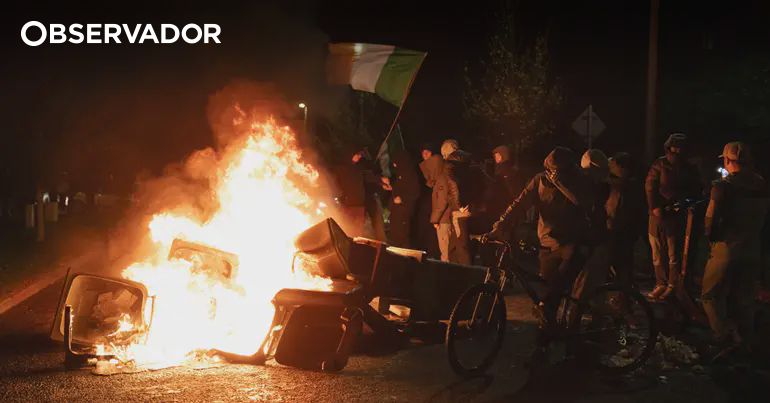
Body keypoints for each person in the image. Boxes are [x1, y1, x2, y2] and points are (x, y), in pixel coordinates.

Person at [485, 147, 593, 323]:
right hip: (547, 242)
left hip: (572, 242)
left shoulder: (578, 180)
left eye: (557, 171)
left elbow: (583, 203)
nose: (552, 175)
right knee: (546, 296)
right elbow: (520, 203)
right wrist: (500, 225)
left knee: (556, 288)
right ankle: (544, 341)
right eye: (550, 170)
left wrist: (561, 184)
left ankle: (572, 336)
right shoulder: (540, 180)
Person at [701, 142, 769, 356]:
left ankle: (724, 337)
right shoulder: (761, 184)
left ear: (728, 161)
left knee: (710, 295)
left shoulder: (723, 186)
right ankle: (745, 342)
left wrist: (710, 240)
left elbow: (710, 220)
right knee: (745, 298)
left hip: (727, 247)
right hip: (753, 247)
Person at [645, 133, 701, 300]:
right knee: (657, 249)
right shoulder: (660, 164)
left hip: (676, 215)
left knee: (673, 251)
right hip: (657, 215)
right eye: (674, 147)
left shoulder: (690, 168)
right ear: (668, 147)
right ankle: (660, 282)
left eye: (681, 147)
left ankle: (672, 284)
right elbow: (650, 185)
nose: (677, 150)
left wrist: (683, 203)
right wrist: (654, 206)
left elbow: (696, 189)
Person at [605, 152, 645, 286]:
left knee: (615, 263)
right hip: (626, 230)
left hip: (615, 229)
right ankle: (624, 294)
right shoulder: (635, 185)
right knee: (624, 265)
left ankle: (621, 297)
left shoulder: (615, 184)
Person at [383, 150, 421, 248]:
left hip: (404, 213)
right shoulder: (400, 175)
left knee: (402, 240)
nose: (394, 165)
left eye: (396, 162)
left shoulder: (410, 175)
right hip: (396, 213)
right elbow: (398, 190)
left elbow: (415, 192)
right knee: (394, 238)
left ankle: (404, 259)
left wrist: (402, 199)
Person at [352, 148, 387, 241]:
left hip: (369, 199)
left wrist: (381, 182)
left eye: (359, 155)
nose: (357, 156)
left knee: (376, 225)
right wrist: (380, 180)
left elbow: (368, 176)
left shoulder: (363, 164)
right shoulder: (352, 167)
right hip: (359, 200)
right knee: (365, 226)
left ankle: (380, 245)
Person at [421, 153, 450, 260]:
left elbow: (442, 201)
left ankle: (446, 273)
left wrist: (435, 220)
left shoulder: (442, 179)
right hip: (443, 219)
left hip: (444, 220)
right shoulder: (440, 179)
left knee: (445, 251)